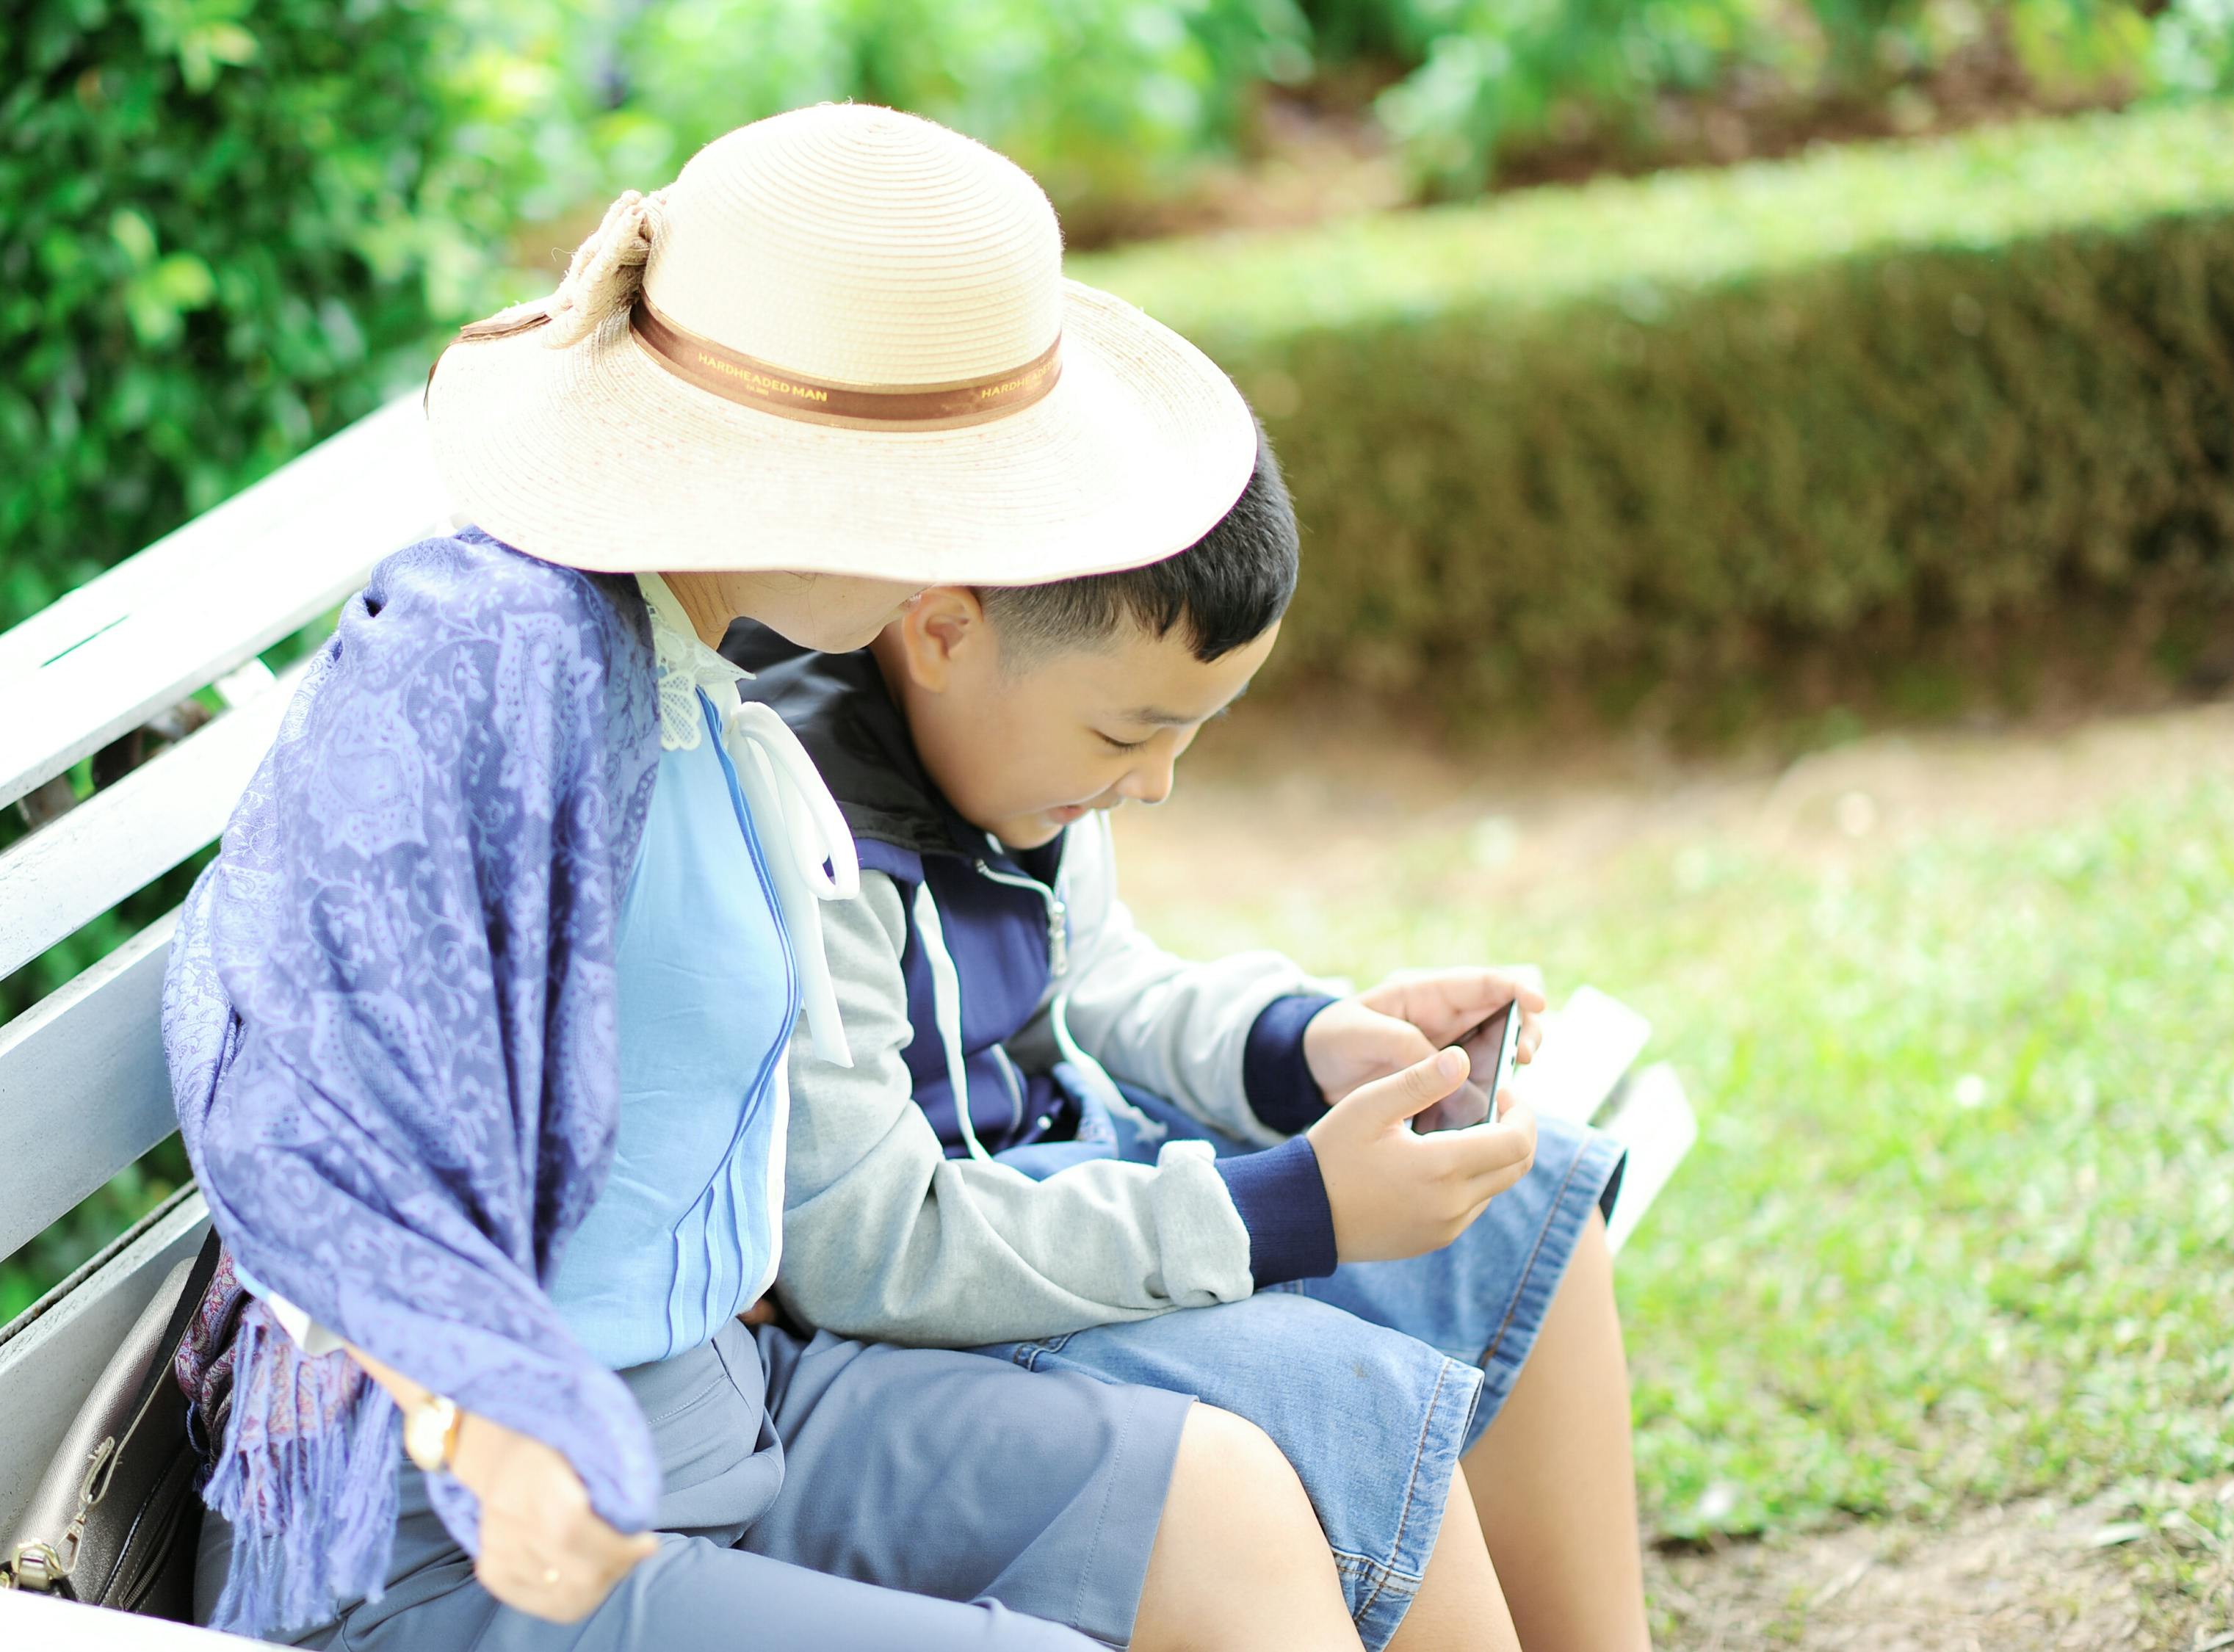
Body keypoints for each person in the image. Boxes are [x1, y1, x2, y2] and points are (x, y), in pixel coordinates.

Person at [164, 105, 1376, 1652]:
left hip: (721, 1421)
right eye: (987, 495)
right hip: (465, 1541)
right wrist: (480, 1419)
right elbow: (292, 1082)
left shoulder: (697, 658)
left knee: (1219, 1502)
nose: (1003, 555)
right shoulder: (496, 648)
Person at [725, 430, 1652, 1651]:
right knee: (1342, 1398)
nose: (1154, 783)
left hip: (1076, 1186)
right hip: (939, 1285)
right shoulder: (806, 822)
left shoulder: (1009, 742)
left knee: (1530, 1203)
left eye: (1191, 735)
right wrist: (1285, 1208)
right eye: (1127, 737)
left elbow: (1095, 972)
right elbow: (869, 1250)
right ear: (943, 631)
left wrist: (1308, 1042)